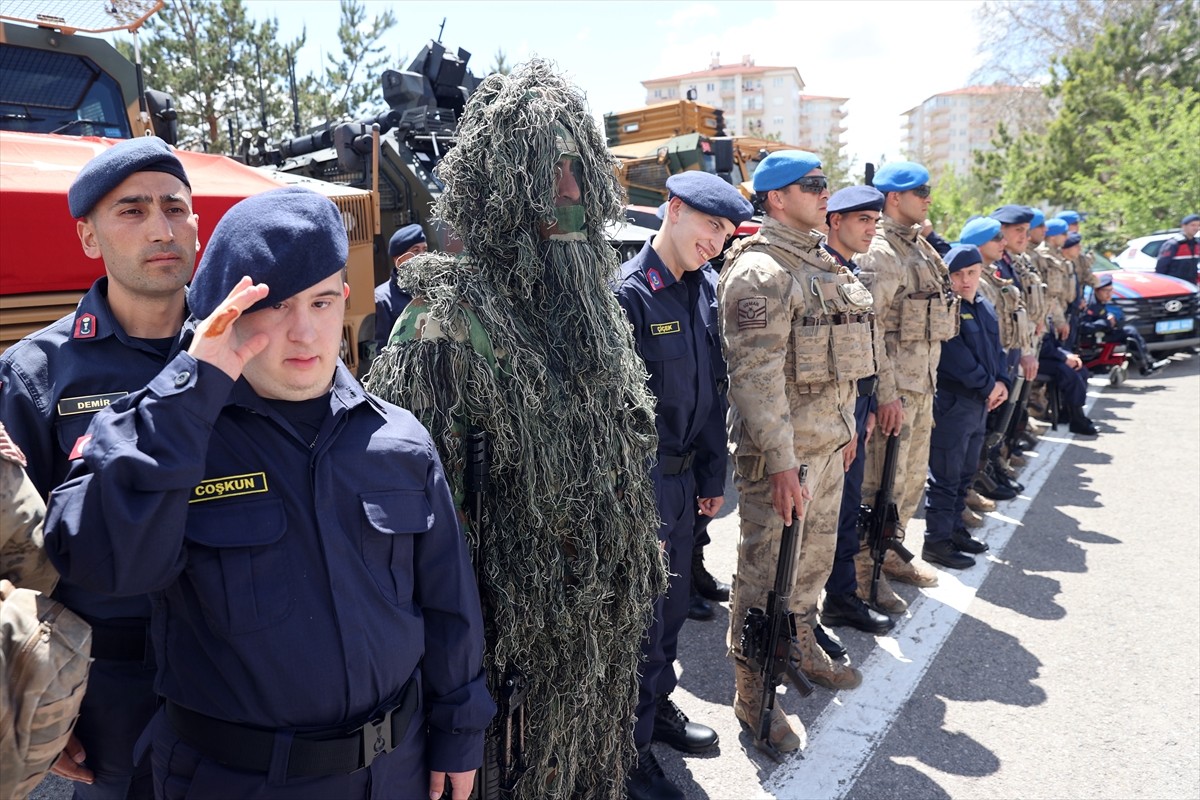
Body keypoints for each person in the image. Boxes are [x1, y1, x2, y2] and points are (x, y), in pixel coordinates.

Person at [44, 186, 494, 799]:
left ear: (347, 301)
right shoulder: (176, 436)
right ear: (224, 314)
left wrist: (461, 731)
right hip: (239, 779)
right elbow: (97, 556)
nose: (305, 332)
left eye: (322, 300)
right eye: (275, 306)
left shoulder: (399, 440)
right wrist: (190, 386)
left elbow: (448, 605)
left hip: (396, 770)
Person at [363, 60, 665, 799]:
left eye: (577, 172)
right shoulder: (443, 331)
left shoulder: (595, 319)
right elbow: (416, 555)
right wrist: (453, 711)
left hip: (593, 664)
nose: (568, 197)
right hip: (503, 684)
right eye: (546, 173)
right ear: (497, 186)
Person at [0, 136, 198, 800]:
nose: (162, 228)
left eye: (175, 206)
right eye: (132, 210)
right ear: (89, 237)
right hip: (108, 695)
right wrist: (30, 695)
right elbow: (7, 554)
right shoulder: (37, 373)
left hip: (245, 674)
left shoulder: (246, 352)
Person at [719, 150, 875, 753]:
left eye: (825, 183)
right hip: (783, 458)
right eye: (812, 186)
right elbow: (755, 379)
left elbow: (838, 354)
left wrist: (846, 426)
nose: (824, 194)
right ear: (776, 198)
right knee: (765, 576)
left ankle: (803, 645)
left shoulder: (818, 261)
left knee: (810, 564)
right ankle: (753, 691)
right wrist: (783, 464)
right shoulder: (760, 271)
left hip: (827, 443)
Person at [614, 171, 752, 799]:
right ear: (673, 210)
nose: (719, 243)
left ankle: (657, 710)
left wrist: (710, 475)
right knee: (638, 622)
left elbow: (711, 390)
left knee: (669, 618)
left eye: (727, 232)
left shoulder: (704, 290)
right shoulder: (628, 295)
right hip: (640, 484)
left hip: (682, 484)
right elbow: (612, 416)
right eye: (710, 226)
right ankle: (628, 754)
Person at [855, 161, 959, 605]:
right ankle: (864, 571)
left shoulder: (920, 248)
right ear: (893, 198)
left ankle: (891, 551)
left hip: (922, 386)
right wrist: (886, 394)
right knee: (880, 484)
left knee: (910, 481)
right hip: (895, 392)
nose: (928, 198)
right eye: (920, 191)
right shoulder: (881, 252)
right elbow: (868, 329)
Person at [816, 185, 896, 632]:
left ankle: (841, 598)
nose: (871, 229)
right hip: (826, 422)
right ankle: (808, 618)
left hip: (853, 415)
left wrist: (869, 408)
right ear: (835, 221)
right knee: (817, 524)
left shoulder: (854, 274)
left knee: (845, 512)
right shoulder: (820, 274)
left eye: (874, 221)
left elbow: (868, 347)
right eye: (863, 220)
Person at [923, 245, 1009, 570]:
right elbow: (955, 360)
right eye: (956, 275)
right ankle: (936, 541)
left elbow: (997, 350)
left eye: (970, 273)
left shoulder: (984, 306)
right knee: (945, 476)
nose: (964, 281)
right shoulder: (948, 309)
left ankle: (955, 530)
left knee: (964, 474)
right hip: (954, 403)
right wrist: (990, 385)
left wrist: (1001, 381)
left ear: (980, 272)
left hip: (978, 405)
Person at [1040, 231, 1099, 436]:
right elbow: (1041, 346)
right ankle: (1077, 420)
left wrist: (1065, 355)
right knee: (1068, 371)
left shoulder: (1046, 307)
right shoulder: (1038, 309)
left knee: (1080, 369)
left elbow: (1049, 342)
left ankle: (1071, 412)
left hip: (1049, 352)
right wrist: (1063, 357)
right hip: (1039, 356)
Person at [1081, 274, 1169, 375]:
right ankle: (1146, 366)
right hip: (1092, 337)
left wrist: (1109, 317)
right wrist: (1106, 322)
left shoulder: (1099, 301)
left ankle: (1147, 364)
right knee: (1130, 332)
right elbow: (1084, 326)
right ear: (1097, 290)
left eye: (1111, 290)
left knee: (1130, 332)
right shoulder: (1090, 305)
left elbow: (1102, 314)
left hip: (1102, 332)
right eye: (1106, 291)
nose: (1109, 294)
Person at [374, 223, 428, 353]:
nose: (423, 256)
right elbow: (380, 352)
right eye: (416, 250)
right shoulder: (382, 299)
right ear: (398, 258)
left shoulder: (433, 291)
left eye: (425, 250)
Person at [1155, 213, 1200, 284]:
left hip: (1191, 285)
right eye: (1193, 225)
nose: (1196, 228)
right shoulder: (1173, 244)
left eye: (1198, 225)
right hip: (1175, 285)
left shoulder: (1196, 244)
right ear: (1184, 226)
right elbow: (1161, 267)